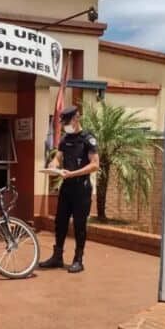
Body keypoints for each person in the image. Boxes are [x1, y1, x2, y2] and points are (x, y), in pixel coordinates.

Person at [38, 105, 100, 273]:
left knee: (79, 224)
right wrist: (53, 165)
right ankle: (57, 257)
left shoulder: (88, 138)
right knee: (60, 222)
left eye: (67, 121)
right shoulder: (65, 139)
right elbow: (58, 157)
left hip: (82, 188)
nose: (65, 125)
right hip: (67, 187)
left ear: (76, 118)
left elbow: (95, 165)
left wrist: (72, 173)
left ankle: (78, 260)